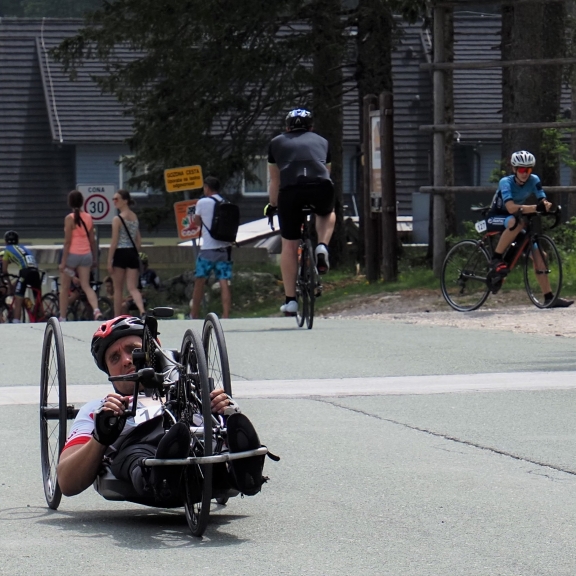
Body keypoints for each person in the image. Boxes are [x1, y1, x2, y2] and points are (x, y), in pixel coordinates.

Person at [57, 316, 266, 502]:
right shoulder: (99, 408)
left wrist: (225, 411)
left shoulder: (192, 391)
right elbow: (66, 481)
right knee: (137, 456)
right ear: (109, 372)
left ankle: (244, 472)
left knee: (217, 439)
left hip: (200, 443)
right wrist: (100, 438)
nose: (127, 360)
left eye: (133, 350)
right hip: (141, 451)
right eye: (115, 358)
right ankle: (162, 476)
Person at [265, 108, 336, 316]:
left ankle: (291, 301)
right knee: (326, 212)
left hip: (291, 191)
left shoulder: (276, 143)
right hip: (320, 187)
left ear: (287, 128)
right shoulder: (323, 142)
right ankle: (322, 245)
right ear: (311, 127)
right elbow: (326, 173)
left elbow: (275, 180)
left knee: (289, 244)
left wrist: (273, 204)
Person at [486, 150, 573, 307]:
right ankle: (496, 258)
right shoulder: (505, 182)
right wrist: (535, 207)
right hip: (496, 216)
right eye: (521, 169)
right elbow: (511, 208)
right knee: (515, 222)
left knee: (541, 256)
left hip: (515, 219)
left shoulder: (534, 180)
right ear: (514, 169)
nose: (525, 173)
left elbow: (542, 199)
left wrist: (546, 206)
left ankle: (549, 297)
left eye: (528, 169)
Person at [190, 177, 233, 319]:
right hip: (224, 250)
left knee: (199, 281)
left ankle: (194, 314)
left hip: (207, 250)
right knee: (224, 282)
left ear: (207, 187)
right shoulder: (225, 202)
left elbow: (197, 222)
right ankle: (226, 315)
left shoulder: (202, 202)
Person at [59, 190, 102, 321]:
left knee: (64, 287)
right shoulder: (88, 218)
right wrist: (94, 258)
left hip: (72, 255)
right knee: (86, 286)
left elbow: (67, 242)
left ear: (70, 203)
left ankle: (63, 316)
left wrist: (63, 262)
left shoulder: (69, 218)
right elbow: (92, 240)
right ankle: (96, 310)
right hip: (86, 255)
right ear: (82, 202)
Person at [107, 189, 145, 317]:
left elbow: (114, 242)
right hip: (132, 252)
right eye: (113, 199)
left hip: (120, 252)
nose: (114, 201)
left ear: (125, 201)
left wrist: (109, 260)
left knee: (118, 289)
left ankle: (117, 316)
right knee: (132, 287)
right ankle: (142, 310)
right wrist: (134, 251)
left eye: (117, 199)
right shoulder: (134, 217)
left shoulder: (117, 219)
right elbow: (138, 240)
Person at [1, 230, 40, 323]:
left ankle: (16, 322)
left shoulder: (7, 250)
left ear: (6, 241)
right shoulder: (24, 248)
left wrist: (9, 284)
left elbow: (4, 270)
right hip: (35, 271)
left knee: (18, 297)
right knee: (38, 298)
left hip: (25, 272)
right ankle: (41, 317)